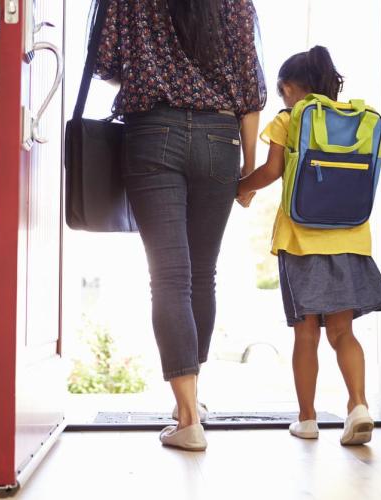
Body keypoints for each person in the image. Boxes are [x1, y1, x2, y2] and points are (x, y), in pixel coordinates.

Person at [93, 0, 266, 450]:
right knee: (202, 274)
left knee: (170, 277)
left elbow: (105, 63)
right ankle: (191, 402)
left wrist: (149, 70)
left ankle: (187, 416)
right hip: (220, 139)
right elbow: (249, 91)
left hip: (153, 132)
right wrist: (248, 169)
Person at [237, 46, 381, 445]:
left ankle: (307, 420)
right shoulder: (358, 120)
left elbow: (271, 170)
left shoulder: (289, 118)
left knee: (306, 335)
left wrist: (239, 188)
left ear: (288, 87)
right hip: (350, 237)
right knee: (343, 332)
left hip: (301, 239)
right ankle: (358, 405)